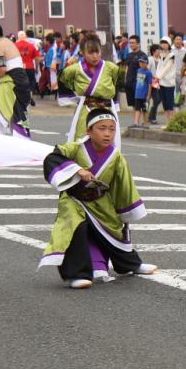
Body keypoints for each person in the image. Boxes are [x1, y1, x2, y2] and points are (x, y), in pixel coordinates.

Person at [39, 108, 158, 289]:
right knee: (74, 227)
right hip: (74, 199)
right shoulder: (75, 148)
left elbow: (123, 184)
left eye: (112, 129)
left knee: (115, 230)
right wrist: (77, 170)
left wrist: (125, 211)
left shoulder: (115, 156)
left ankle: (131, 265)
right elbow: (52, 158)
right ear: (89, 130)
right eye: (102, 128)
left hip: (100, 200)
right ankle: (76, 274)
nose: (107, 134)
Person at [59, 35, 121, 146]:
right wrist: (75, 93)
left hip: (107, 109)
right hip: (87, 108)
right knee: (82, 139)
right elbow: (63, 79)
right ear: (82, 52)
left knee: (108, 140)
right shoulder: (74, 69)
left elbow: (115, 83)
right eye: (90, 53)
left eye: (97, 52)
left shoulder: (111, 67)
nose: (95, 56)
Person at [0, 22, 32, 137]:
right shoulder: (7, 42)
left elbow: (2, 69)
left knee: (2, 118)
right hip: (20, 79)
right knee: (17, 117)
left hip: (12, 82)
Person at [154, 38, 177, 125]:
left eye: (165, 43)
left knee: (170, 103)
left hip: (169, 83)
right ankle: (168, 122)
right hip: (161, 82)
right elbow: (159, 67)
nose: (163, 45)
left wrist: (158, 77)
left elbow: (167, 68)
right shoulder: (161, 54)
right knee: (165, 104)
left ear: (169, 44)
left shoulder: (172, 55)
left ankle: (172, 122)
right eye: (162, 43)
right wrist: (156, 77)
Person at [122, 35, 147, 116]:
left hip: (138, 82)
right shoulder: (129, 55)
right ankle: (136, 123)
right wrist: (125, 80)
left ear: (138, 43)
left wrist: (141, 84)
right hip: (129, 82)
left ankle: (145, 122)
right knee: (133, 103)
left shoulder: (142, 55)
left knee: (141, 103)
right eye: (130, 43)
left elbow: (144, 70)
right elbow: (127, 68)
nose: (131, 44)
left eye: (133, 43)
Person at [15, 31, 40, 105]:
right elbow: (37, 58)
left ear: (18, 37)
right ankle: (29, 96)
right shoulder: (32, 45)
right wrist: (37, 67)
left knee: (19, 84)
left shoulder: (14, 45)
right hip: (29, 67)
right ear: (25, 37)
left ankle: (21, 99)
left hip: (18, 67)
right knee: (31, 83)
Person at [130, 56, 152, 128]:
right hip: (137, 94)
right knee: (137, 109)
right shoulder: (138, 70)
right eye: (140, 62)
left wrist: (148, 95)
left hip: (144, 94)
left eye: (143, 62)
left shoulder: (148, 72)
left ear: (146, 63)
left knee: (145, 110)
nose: (141, 64)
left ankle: (145, 123)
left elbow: (150, 84)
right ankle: (136, 123)